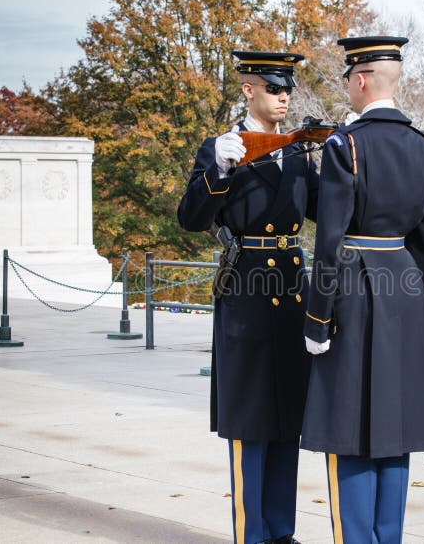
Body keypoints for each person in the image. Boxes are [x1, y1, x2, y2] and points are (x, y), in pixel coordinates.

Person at [302, 36, 424, 543]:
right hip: (404, 289)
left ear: (361, 79)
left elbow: (328, 242)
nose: (348, 85)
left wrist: (317, 319)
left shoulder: (344, 146)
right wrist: (417, 304)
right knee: (395, 433)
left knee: (349, 432)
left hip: (350, 288)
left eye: (348, 77)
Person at [177, 50, 319, 544]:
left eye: (287, 90)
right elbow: (191, 219)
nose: (283, 97)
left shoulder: (298, 151)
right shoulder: (220, 148)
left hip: (292, 294)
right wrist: (218, 172)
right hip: (247, 291)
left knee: (287, 421)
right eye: (274, 88)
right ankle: (251, 536)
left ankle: (282, 533)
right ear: (248, 90)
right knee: (250, 421)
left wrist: (347, 159)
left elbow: (326, 206)